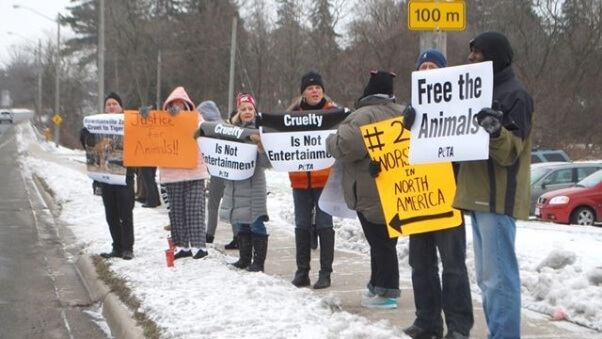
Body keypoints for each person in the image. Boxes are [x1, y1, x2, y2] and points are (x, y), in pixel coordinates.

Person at [403, 32, 533, 338]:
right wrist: (416, 123)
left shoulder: (515, 94)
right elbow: (446, 139)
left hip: (498, 198)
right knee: (487, 279)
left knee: (500, 279)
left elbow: (511, 151)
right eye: (471, 52)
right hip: (476, 196)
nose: (471, 57)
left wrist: (494, 130)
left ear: (494, 56)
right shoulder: (474, 91)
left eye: (477, 52)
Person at [403, 49, 474, 339]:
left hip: (448, 197)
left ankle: (458, 327)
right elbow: (395, 157)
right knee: (420, 264)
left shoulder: (458, 107)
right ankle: (426, 321)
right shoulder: (408, 113)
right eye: (423, 66)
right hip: (418, 199)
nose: (427, 70)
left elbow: (467, 149)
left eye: (433, 66)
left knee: (453, 266)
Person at [325, 70, 405, 308]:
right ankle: (375, 284)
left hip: (370, 189)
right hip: (399, 188)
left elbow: (345, 147)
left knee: (380, 242)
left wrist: (329, 140)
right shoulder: (403, 112)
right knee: (385, 240)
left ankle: (387, 291)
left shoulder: (363, 116)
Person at [288, 71, 338, 289]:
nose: (315, 90)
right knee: (302, 224)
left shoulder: (334, 113)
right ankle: (302, 271)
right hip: (299, 179)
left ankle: (325, 273)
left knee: (325, 224)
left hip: (325, 179)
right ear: (303, 93)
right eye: (310, 88)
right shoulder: (290, 116)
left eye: (318, 87)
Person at [80, 92, 135, 260]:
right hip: (105, 176)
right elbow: (85, 139)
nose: (111, 106)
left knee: (125, 213)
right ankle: (116, 247)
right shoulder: (98, 123)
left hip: (124, 174)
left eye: (114, 104)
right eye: (108, 104)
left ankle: (127, 248)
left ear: (121, 107)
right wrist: (85, 132)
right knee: (110, 213)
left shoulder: (129, 122)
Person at [220, 93, 270, 272]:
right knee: (241, 221)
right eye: (244, 109)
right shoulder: (230, 130)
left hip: (254, 184)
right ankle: (244, 258)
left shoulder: (262, 130)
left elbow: (267, 164)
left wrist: (261, 147)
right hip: (236, 184)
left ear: (255, 111)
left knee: (255, 221)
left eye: (250, 108)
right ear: (238, 111)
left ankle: (258, 263)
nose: (247, 112)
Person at [159, 86, 210, 260]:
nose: (178, 107)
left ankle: (199, 246)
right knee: (177, 211)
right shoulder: (161, 122)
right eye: (174, 104)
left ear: (187, 105)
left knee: (195, 210)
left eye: (181, 104)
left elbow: (205, 135)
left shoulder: (197, 119)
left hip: (194, 171)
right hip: (172, 174)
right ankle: (183, 246)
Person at [197, 100, 237, 245]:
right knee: (232, 204)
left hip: (218, 171)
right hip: (231, 171)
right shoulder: (226, 126)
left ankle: (209, 235)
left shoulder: (208, 129)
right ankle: (237, 236)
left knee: (213, 205)